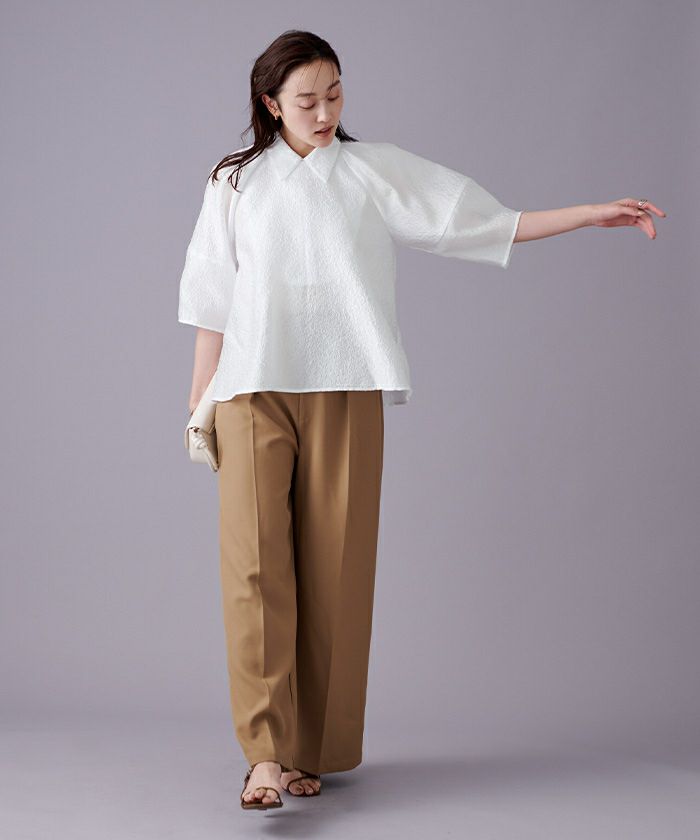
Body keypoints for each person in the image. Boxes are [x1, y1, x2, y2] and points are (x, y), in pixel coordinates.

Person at [178, 30, 665, 812]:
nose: (325, 112)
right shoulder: (233, 180)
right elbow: (211, 292)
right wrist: (198, 398)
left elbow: (474, 220)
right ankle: (264, 754)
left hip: (347, 387)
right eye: (306, 100)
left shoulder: (370, 171)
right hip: (250, 391)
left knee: (336, 573)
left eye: (335, 93)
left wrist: (586, 214)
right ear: (270, 104)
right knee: (254, 571)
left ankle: (312, 752)